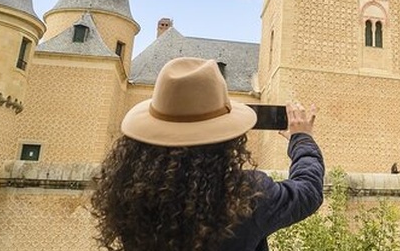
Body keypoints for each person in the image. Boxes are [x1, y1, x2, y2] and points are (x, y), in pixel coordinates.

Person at [91, 57, 324, 251]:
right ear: (225, 138)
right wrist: (301, 138)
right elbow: (308, 190)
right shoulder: (245, 196)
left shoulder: (131, 192)